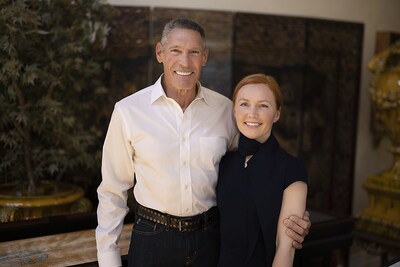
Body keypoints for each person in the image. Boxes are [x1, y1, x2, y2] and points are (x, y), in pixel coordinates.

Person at [96, 17, 310, 267]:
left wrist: (293, 216)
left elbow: (252, 171)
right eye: (175, 51)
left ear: (205, 56)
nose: (184, 62)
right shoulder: (128, 111)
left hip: (211, 241)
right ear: (160, 53)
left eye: (194, 52)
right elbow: (112, 192)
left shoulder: (225, 110)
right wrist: (108, 259)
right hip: (152, 238)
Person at [217, 73, 308, 267]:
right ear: (234, 110)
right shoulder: (222, 161)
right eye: (244, 104)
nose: (252, 113)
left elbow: (286, 248)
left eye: (263, 105)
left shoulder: (291, 169)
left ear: (277, 114)